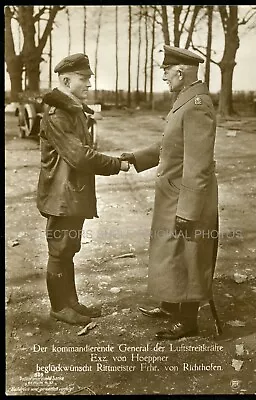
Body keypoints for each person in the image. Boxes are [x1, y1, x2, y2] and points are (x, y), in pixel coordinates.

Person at [121, 45, 218, 340]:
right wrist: (137, 157)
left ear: (180, 71)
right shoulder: (184, 101)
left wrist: (188, 210)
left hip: (187, 196)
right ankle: (169, 304)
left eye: (166, 71)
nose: (163, 77)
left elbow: (198, 164)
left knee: (188, 255)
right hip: (173, 194)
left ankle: (187, 322)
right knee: (170, 253)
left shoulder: (197, 105)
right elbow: (171, 147)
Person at [37, 53, 129, 325]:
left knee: (68, 249)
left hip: (69, 192)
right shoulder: (59, 113)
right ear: (66, 80)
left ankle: (71, 302)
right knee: (60, 250)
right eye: (84, 79)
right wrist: (117, 164)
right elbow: (79, 156)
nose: (89, 84)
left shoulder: (71, 109)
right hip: (60, 194)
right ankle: (59, 307)